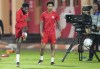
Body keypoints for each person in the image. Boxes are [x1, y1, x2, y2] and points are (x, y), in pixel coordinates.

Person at [15, 2, 30, 67]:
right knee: (18, 45)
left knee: (20, 42)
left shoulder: (26, 12)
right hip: (18, 28)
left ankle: (24, 35)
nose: (27, 10)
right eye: (26, 9)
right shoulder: (18, 12)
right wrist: (25, 19)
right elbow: (17, 20)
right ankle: (17, 61)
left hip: (23, 28)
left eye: (28, 9)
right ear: (23, 8)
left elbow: (26, 21)